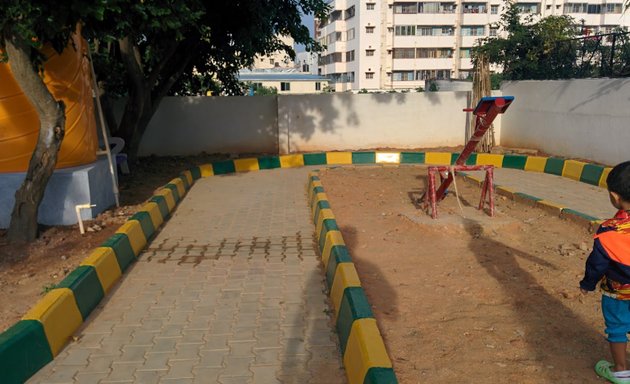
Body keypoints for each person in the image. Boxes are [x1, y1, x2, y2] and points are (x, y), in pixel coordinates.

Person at [580, 161, 630, 384]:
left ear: (615, 196)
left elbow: (597, 263)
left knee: (617, 328)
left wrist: (588, 284)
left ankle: (620, 370)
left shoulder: (609, 230)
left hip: (617, 291)